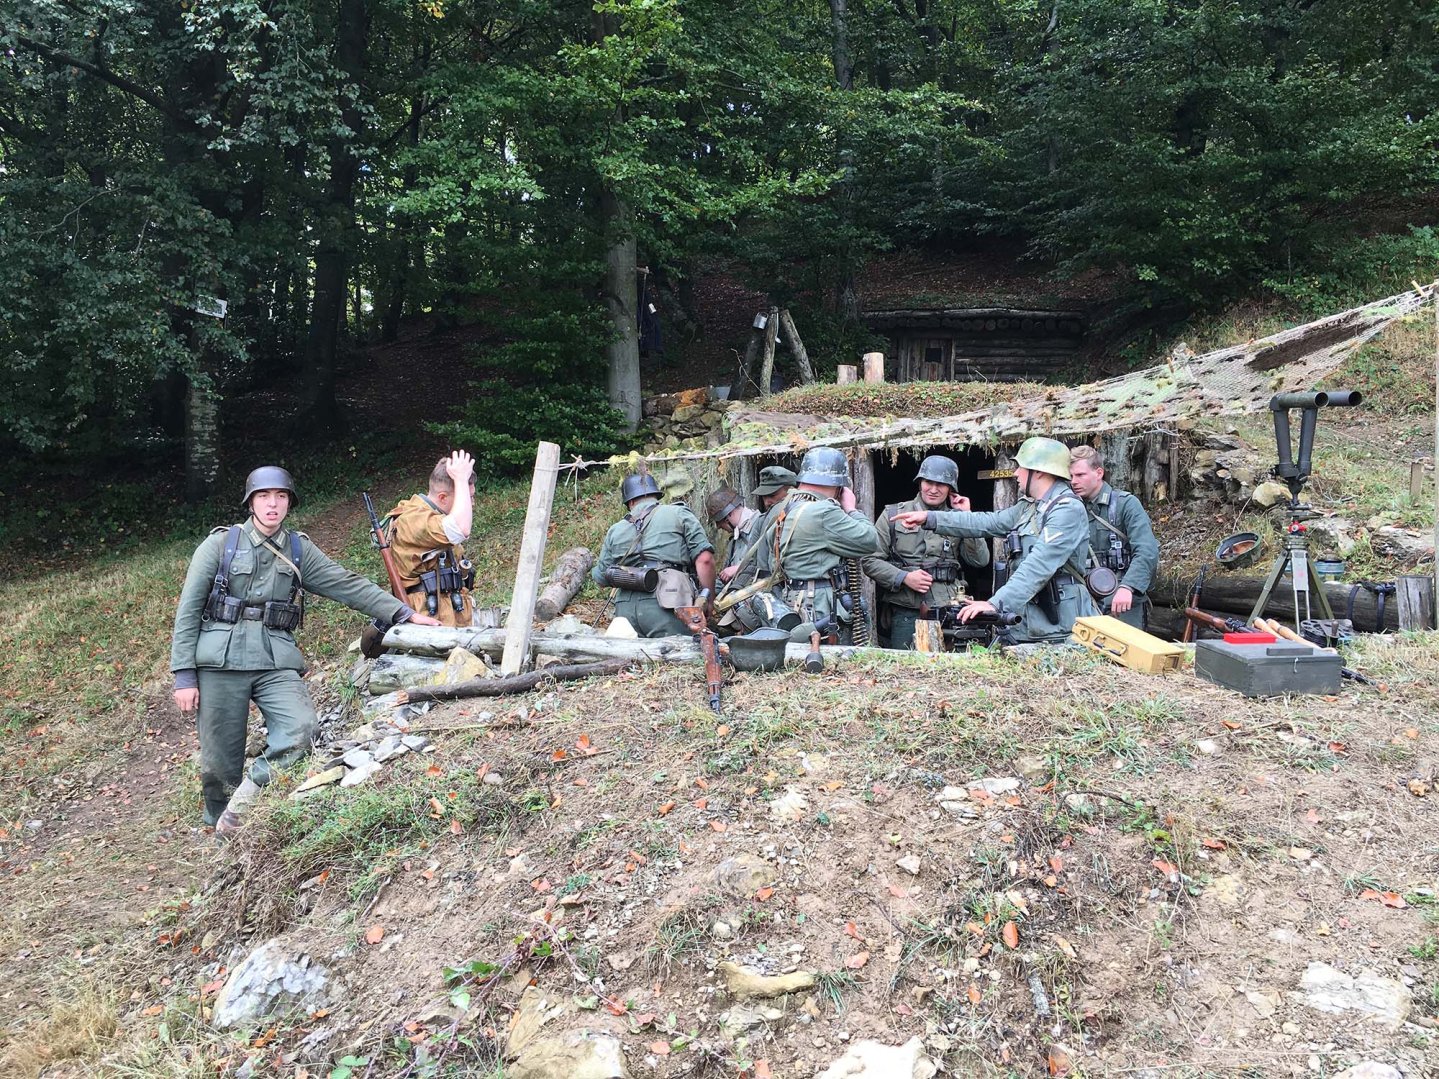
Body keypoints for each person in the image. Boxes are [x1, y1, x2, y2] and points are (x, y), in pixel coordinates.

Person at [170, 466, 441, 834]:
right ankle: (218, 827)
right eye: (264, 497)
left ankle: (242, 807)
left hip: (275, 660)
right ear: (251, 502)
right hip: (220, 660)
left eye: (280, 497)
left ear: (289, 503)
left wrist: (403, 612)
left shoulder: (298, 549)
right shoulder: (220, 545)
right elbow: (188, 610)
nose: (272, 504)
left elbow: (345, 583)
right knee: (219, 761)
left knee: (301, 730)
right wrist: (184, 675)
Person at [892, 437, 1095, 643]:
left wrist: (996, 604)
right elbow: (987, 522)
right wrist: (930, 518)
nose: (1016, 473)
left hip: (1062, 621)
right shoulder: (1029, 507)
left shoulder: (1066, 509)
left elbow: (1040, 564)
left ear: (1039, 471)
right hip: (1032, 618)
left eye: (1021, 467)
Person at [864, 455, 991, 648]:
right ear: (920, 482)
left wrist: (967, 517)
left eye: (940, 484)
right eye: (928, 482)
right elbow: (870, 560)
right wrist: (903, 577)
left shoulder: (958, 518)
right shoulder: (893, 514)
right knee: (905, 666)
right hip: (907, 609)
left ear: (951, 489)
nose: (933, 489)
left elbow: (979, 560)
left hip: (949, 606)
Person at [757, 447, 880, 644]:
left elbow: (771, 563)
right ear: (839, 485)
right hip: (821, 605)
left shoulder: (784, 509)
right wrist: (851, 509)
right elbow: (870, 540)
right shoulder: (823, 511)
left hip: (795, 600)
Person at [591, 472, 716, 637]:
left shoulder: (615, 530)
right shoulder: (678, 514)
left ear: (630, 502)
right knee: (677, 659)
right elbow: (705, 560)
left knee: (631, 662)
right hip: (669, 603)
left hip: (625, 612)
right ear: (656, 495)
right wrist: (708, 598)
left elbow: (601, 579)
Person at [1068, 446, 1160, 630]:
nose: (1073, 482)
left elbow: (1146, 551)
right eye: (1071, 476)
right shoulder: (1070, 508)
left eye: (1080, 475)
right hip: (1083, 601)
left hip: (1121, 601)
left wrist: (1128, 587)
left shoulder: (1126, 504)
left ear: (1099, 473)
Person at [384, 451, 477, 627]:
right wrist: (460, 479)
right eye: (468, 496)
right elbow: (461, 529)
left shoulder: (435, 518)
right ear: (442, 497)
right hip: (429, 617)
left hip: (450, 611)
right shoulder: (413, 519)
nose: (472, 503)